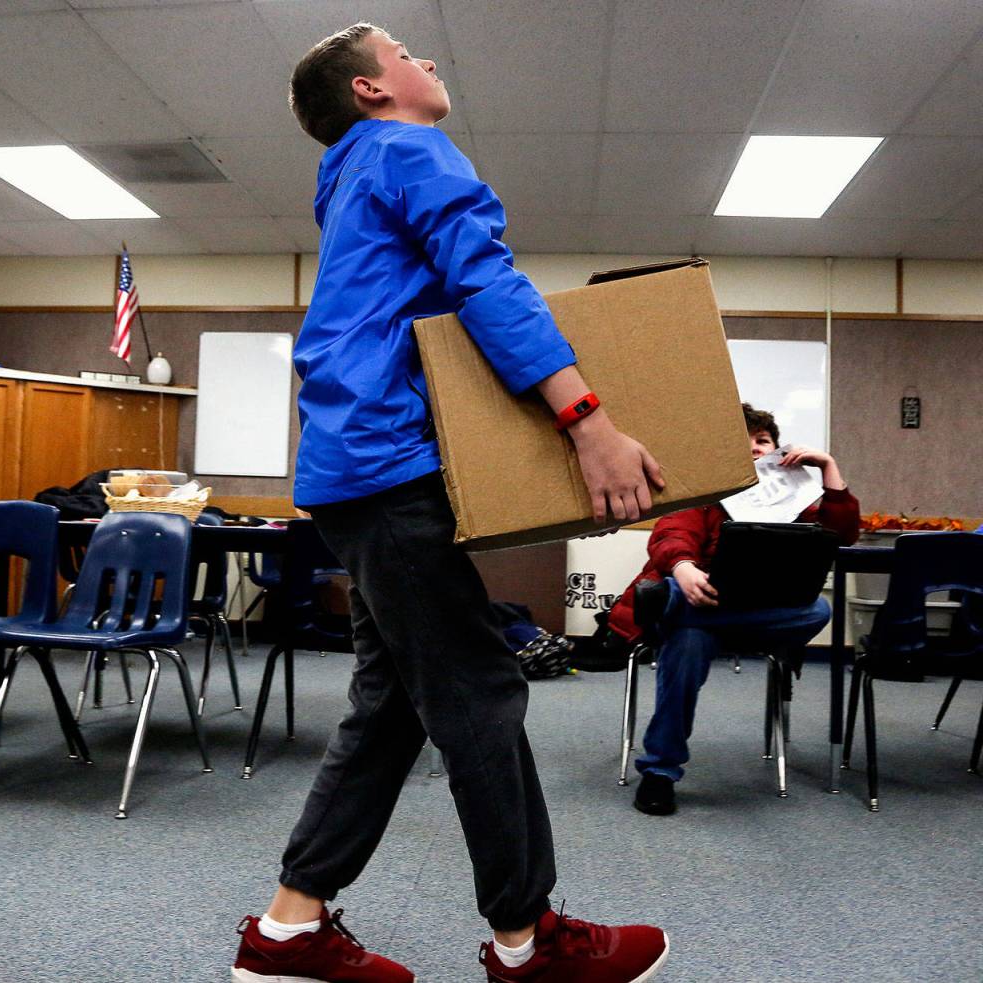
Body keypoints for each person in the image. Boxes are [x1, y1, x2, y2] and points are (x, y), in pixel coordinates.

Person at [232, 23, 670, 983]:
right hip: (387, 467)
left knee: (393, 705)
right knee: (479, 689)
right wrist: (586, 423)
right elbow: (486, 281)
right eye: (407, 53)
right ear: (369, 87)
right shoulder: (406, 146)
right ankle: (528, 940)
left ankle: (288, 932)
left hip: (352, 471)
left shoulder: (353, 172)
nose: (429, 63)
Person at [606, 403, 860, 817]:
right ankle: (660, 773)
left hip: (761, 618)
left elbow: (842, 536)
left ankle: (666, 602)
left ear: (779, 450)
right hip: (702, 607)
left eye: (763, 443)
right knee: (686, 644)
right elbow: (673, 532)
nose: (756, 451)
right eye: (744, 446)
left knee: (816, 610)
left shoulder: (792, 498)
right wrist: (685, 570)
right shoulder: (707, 493)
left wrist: (827, 467)